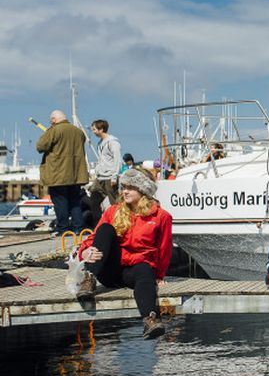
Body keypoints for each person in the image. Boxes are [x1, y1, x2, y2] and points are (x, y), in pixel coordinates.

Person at [75, 168, 172, 339]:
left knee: (145, 271)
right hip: (109, 270)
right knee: (105, 229)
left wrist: (159, 274)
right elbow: (94, 237)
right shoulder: (113, 211)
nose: (124, 191)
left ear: (143, 190)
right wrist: (85, 252)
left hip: (134, 271)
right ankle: (88, 278)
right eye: (124, 187)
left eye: (130, 187)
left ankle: (151, 319)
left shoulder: (161, 216)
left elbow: (164, 247)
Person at [36, 109, 89, 235]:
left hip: (58, 174)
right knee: (75, 201)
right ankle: (79, 227)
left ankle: (63, 229)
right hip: (76, 173)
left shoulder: (54, 130)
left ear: (54, 120)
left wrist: (49, 130)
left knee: (60, 202)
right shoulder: (79, 131)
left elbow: (40, 146)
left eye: (51, 121)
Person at [88, 119, 122, 222]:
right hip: (100, 177)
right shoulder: (100, 143)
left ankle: (120, 224)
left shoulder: (113, 143)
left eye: (94, 129)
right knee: (94, 201)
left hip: (110, 177)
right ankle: (98, 226)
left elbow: (118, 160)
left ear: (101, 129)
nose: (93, 131)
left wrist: (114, 177)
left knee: (115, 204)